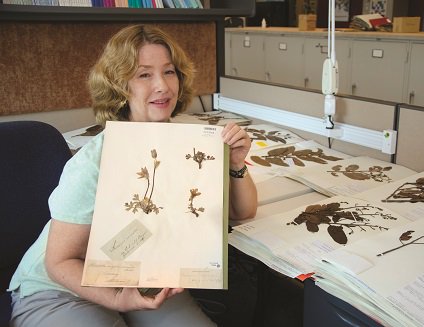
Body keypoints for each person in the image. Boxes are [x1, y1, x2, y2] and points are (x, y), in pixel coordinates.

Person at [8, 24, 258, 327]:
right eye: (144, 75)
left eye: (169, 72)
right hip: (61, 289)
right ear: (119, 85)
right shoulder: (93, 162)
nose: (163, 86)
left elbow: (241, 211)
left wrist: (235, 163)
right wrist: (117, 299)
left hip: (141, 274)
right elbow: (59, 262)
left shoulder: (189, 145)